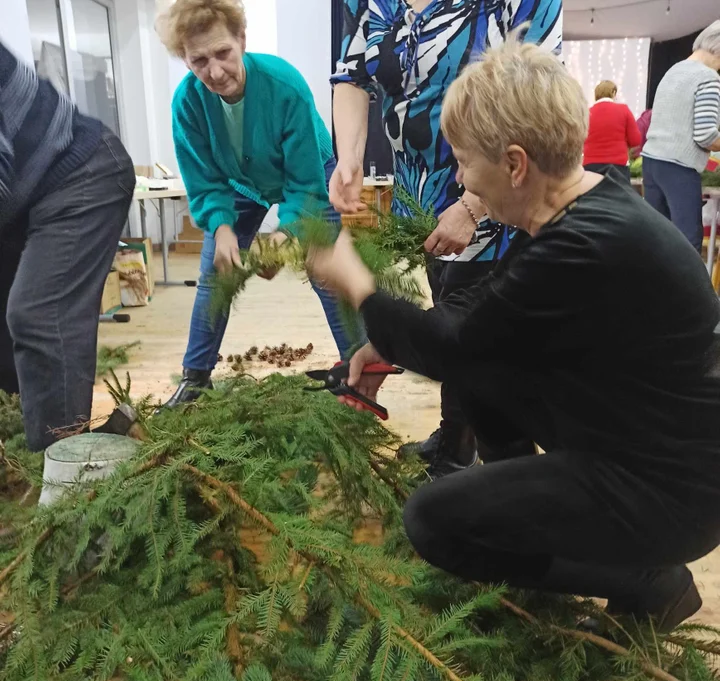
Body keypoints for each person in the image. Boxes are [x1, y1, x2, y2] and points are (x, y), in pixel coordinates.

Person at [308, 38, 720, 631]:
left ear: (515, 164)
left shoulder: (582, 245)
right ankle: (527, 529)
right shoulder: (583, 210)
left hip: (670, 492)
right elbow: (483, 317)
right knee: (484, 368)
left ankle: (650, 581)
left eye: (462, 162)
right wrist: (385, 339)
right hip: (644, 441)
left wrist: (359, 287)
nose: (458, 177)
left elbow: (453, 343)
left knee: (431, 520)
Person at [330, 0, 563, 480]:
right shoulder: (380, 5)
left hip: (498, 192)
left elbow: (538, 103)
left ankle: (474, 459)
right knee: (449, 298)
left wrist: (474, 201)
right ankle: (457, 432)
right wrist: (348, 157)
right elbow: (352, 76)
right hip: (424, 194)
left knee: (477, 334)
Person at [156, 0, 355, 408]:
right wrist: (223, 228)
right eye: (198, 60)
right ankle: (195, 379)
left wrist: (287, 234)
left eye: (223, 53)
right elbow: (205, 181)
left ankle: (358, 368)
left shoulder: (286, 86)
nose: (214, 72)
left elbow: (303, 185)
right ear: (184, 58)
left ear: (242, 40)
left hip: (308, 170)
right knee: (216, 271)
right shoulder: (187, 104)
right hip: (242, 184)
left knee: (326, 272)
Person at [0, 41, 135, 452]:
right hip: (23, 197)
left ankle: (64, 474)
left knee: (39, 316)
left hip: (81, 169)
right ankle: (19, 440)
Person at [642, 20, 720, 252]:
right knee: (688, 243)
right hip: (679, 168)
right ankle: (685, 290)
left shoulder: (673, 70)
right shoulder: (708, 78)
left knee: (658, 239)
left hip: (651, 162)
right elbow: (705, 136)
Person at [582, 80, 641, 182]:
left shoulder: (586, 113)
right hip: (618, 167)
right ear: (613, 93)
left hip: (590, 167)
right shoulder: (624, 110)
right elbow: (635, 140)